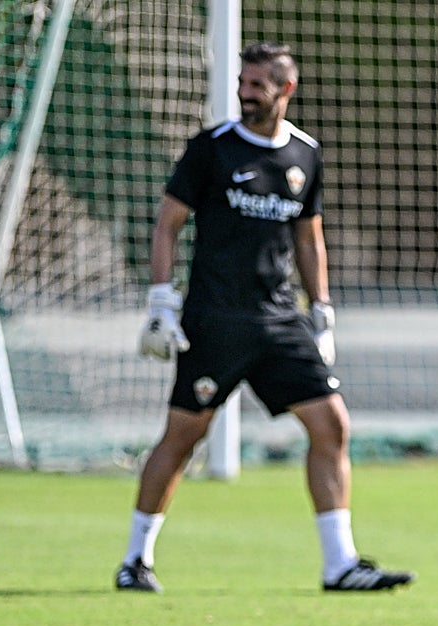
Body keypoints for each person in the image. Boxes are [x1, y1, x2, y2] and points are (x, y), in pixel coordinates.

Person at [115, 41, 414, 593]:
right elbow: (167, 224)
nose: (245, 94)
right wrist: (161, 299)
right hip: (216, 322)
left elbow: (309, 236)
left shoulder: (305, 154)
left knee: (332, 427)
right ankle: (136, 560)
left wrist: (320, 309)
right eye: (243, 83)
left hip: (281, 322)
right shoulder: (213, 149)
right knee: (182, 437)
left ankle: (340, 564)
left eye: (257, 86)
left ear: (286, 90)